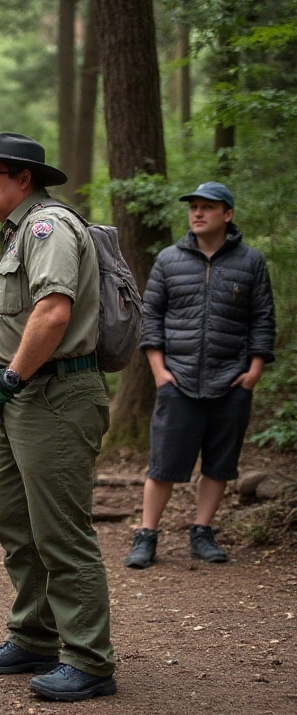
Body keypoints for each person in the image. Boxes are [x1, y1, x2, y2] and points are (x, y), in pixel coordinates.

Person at [0, 132, 116, 701]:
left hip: (54, 394)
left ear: (25, 178)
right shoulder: (19, 232)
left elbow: (52, 312)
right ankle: (36, 636)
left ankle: (90, 660)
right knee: (18, 528)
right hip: (21, 396)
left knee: (61, 535)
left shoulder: (49, 227)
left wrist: (11, 378)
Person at [124, 181, 275, 569]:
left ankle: (202, 532)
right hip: (178, 379)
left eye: (208, 207)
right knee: (163, 464)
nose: (197, 213)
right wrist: (159, 371)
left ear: (227, 215)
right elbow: (151, 316)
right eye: (193, 206)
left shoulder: (251, 261)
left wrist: (254, 370)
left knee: (220, 464)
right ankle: (146, 535)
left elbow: (262, 318)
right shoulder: (169, 260)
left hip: (232, 379)